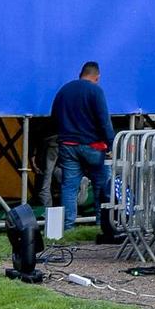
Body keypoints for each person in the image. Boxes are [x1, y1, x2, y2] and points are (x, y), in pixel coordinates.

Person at [50, 60, 115, 234]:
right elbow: (104, 120)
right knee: (101, 185)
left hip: (68, 145)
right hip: (93, 146)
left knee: (69, 187)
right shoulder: (95, 91)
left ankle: (68, 228)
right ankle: (101, 226)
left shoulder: (64, 90)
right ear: (97, 76)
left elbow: (54, 116)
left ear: (81, 73)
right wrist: (111, 144)